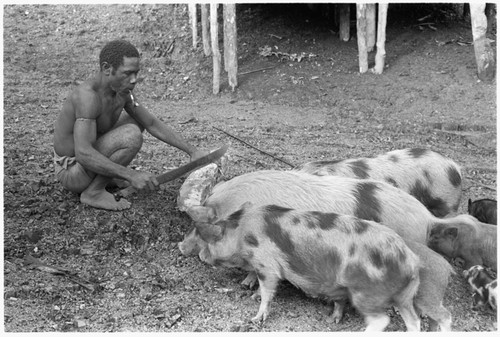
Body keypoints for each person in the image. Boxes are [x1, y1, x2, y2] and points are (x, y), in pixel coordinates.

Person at [53, 39, 207, 211]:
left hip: (87, 164)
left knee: (137, 122)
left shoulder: (122, 92)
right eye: (127, 73)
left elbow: (151, 123)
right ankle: (93, 192)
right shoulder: (87, 97)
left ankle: (105, 178)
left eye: (136, 73)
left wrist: (192, 151)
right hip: (72, 172)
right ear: (106, 69)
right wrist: (131, 175)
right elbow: (82, 153)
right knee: (131, 134)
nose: (134, 80)